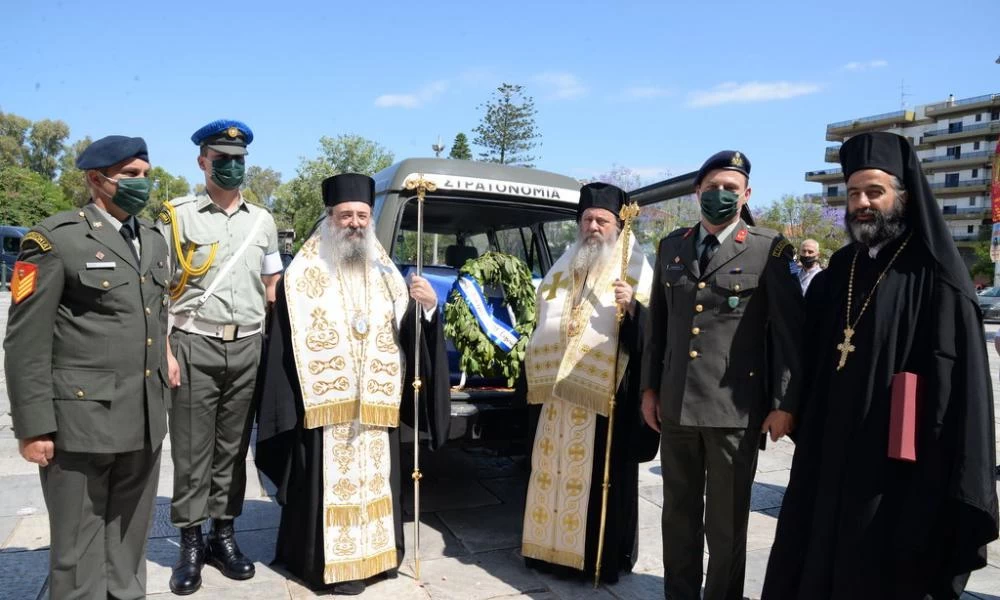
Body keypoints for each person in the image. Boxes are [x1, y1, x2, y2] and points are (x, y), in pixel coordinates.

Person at [762, 132, 999, 600]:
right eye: (854, 193)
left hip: (896, 463)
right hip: (829, 447)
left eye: (875, 191)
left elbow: (959, 380)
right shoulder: (842, 267)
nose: (863, 203)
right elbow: (805, 348)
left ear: (902, 197)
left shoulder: (935, 274)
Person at [253, 173, 450, 595]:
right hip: (325, 414)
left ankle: (377, 557)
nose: (356, 223)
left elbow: (409, 338)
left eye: (363, 215)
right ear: (329, 219)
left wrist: (428, 310)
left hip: (376, 413)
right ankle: (326, 564)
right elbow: (284, 354)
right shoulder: (301, 276)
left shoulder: (388, 275)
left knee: (377, 484)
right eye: (346, 215)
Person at [5, 135, 170, 599]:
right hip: (80, 424)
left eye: (145, 173)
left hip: (143, 419)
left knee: (129, 545)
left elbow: (154, 320)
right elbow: (24, 342)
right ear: (96, 180)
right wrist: (34, 427)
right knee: (77, 554)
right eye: (130, 175)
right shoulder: (55, 240)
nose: (142, 183)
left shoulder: (154, 240)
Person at [641, 150, 804, 600]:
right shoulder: (671, 246)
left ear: (746, 194)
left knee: (727, 523)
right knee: (677, 517)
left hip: (735, 411)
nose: (720, 195)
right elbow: (659, 326)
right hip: (675, 405)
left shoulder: (769, 248)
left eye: (731, 188)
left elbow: (789, 337)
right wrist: (650, 388)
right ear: (697, 191)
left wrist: (784, 404)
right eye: (711, 186)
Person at [157, 119, 284, 595]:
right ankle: (190, 544)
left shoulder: (263, 220)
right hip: (194, 342)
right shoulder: (177, 217)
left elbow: (273, 287)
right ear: (202, 161)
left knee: (232, 450)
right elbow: (158, 291)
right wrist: (164, 350)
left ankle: (222, 536)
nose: (232, 167)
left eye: (239, 160)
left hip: (248, 344)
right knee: (192, 449)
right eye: (222, 159)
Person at [521, 182, 659, 583]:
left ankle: (596, 558)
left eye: (602, 220)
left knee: (599, 479)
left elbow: (654, 335)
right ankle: (547, 552)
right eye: (587, 219)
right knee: (550, 470)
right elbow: (542, 317)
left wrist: (632, 307)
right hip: (557, 396)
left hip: (605, 395)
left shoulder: (636, 269)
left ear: (617, 225)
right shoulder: (563, 267)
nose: (594, 227)